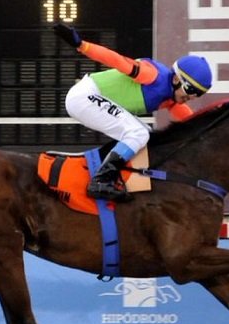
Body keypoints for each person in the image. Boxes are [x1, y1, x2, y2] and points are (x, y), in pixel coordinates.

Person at [54, 23, 212, 202]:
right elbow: (117, 60)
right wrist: (82, 45)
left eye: (199, 94)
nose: (192, 97)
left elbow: (192, 123)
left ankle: (131, 183)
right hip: (84, 96)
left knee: (147, 135)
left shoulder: (171, 97)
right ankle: (100, 180)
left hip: (89, 98)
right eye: (191, 90)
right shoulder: (152, 75)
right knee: (138, 133)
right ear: (176, 79)